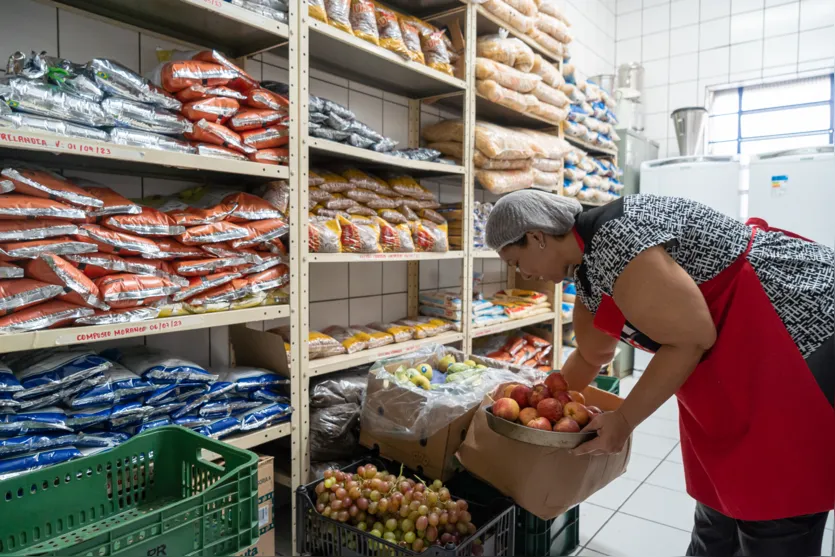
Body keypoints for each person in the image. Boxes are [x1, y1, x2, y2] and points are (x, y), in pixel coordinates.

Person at [485, 189, 835, 557]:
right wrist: (539, 403)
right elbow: (591, 355)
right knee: (721, 500)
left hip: (794, 326)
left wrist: (623, 420)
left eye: (516, 260)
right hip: (737, 354)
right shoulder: (588, 269)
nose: (523, 273)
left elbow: (690, 339)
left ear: (537, 237)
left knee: (776, 500)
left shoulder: (617, 237)